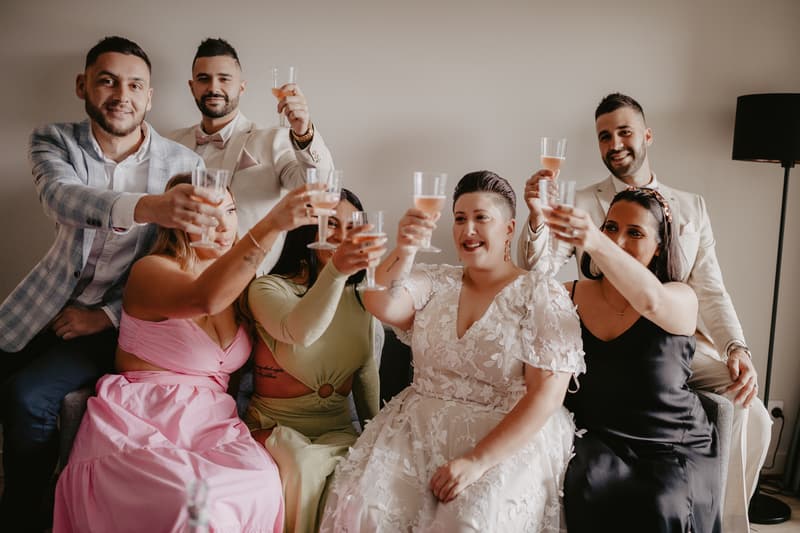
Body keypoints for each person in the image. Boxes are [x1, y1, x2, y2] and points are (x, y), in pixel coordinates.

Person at [517, 92, 771, 531]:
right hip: (608, 338)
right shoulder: (579, 200)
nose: (614, 143)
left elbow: (710, 289)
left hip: (674, 341)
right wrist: (538, 220)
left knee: (755, 412)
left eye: (624, 132)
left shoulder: (690, 206)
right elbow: (536, 270)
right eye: (604, 136)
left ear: (647, 135)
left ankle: (724, 514)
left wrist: (736, 346)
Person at [0, 36, 219, 530]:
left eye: (135, 84)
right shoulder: (53, 140)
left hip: (121, 322)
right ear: (84, 86)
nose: (122, 94)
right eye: (108, 80)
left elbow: (181, 258)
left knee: (28, 399)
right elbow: (62, 198)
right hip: (37, 304)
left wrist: (104, 316)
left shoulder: (187, 165)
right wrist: (149, 206)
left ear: (150, 97)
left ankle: (21, 513)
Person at [53, 175, 325, 532]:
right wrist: (274, 222)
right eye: (208, 213)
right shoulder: (152, 270)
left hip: (213, 425)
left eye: (229, 210)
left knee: (263, 480)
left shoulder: (243, 283)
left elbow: (293, 329)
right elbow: (204, 297)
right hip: (142, 420)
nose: (224, 224)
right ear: (178, 221)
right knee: (194, 502)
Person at [321, 171, 585, 532]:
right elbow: (379, 301)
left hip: (504, 438)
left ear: (509, 228)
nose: (467, 230)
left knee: (469, 523)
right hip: (415, 431)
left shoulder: (541, 295)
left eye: (481, 218)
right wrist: (406, 247)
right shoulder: (435, 281)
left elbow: (546, 397)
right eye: (460, 219)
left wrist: (476, 461)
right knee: (366, 511)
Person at [546, 187, 721, 532]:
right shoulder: (570, 295)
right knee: (585, 483)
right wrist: (539, 222)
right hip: (599, 437)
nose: (617, 239)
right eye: (610, 227)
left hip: (671, 443)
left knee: (662, 502)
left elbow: (650, 301)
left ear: (659, 246)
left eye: (634, 232)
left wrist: (596, 241)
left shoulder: (679, 297)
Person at [244, 188, 385, 533]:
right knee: (304, 465)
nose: (342, 236)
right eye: (331, 224)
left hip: (337, 432)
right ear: (308, 229)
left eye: (352, 228)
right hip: (276, 429)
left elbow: (367, 379)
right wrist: (336, 272)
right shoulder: (268, 289)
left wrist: (377, 437)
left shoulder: (365, 302)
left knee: (370, 475)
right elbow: (300, 332)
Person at [170, 37, 335, 273]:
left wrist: (303, 131)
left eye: (224, 79)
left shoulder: (272, 140)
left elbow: (320, 186)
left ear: (242, 86)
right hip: (178, 277)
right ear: (192, 86)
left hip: (246, 280)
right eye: (203, 79)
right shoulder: (171, 142)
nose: (213, 88)